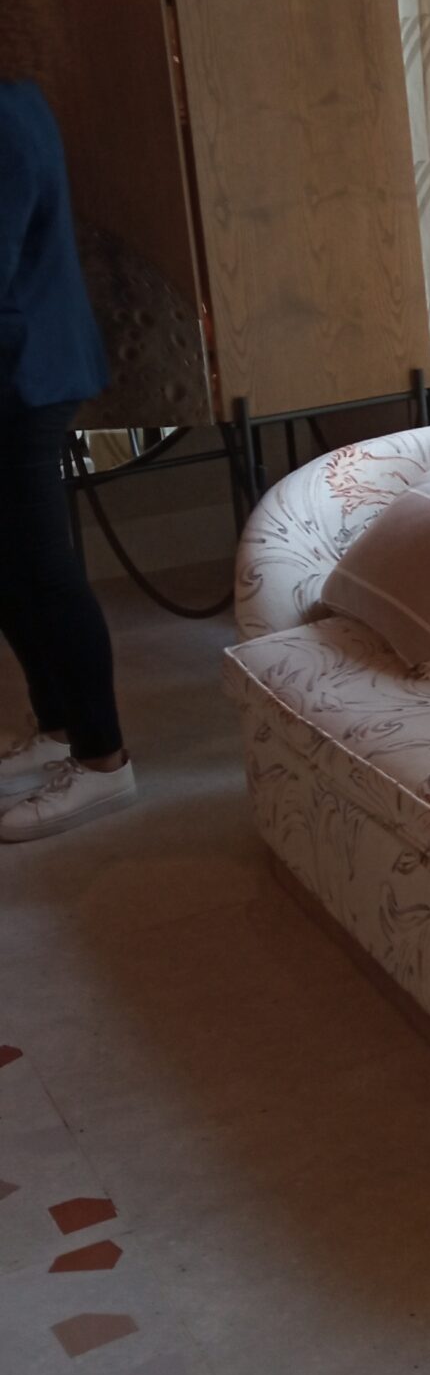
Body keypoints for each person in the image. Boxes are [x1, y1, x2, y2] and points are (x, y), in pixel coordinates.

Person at [0, 75, 135, 841]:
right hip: (21, 364)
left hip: (28, 372)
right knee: (10, 570)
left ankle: (103, 761)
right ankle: (57, 730)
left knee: (44, 574)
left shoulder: (7, 113)